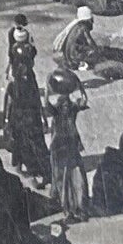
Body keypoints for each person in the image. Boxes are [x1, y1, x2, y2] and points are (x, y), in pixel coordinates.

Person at [46, 68, 90, 222]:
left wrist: (47, 88)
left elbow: (46, 106)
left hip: (59, 144)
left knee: (62, 177)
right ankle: (80, 208)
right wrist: (79, 85)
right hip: (72, 142)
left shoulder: (56, 112)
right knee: (76, 175)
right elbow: (84, 100)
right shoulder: (73, 109)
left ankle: (69, 210)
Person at [4, 55, 52, 189]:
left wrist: (43, 117)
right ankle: (24, 168)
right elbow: (9, 105)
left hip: (30, 120)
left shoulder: (29, 82)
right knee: (22, 145)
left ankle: (33, 168)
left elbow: (37, 100)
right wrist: (8, 121)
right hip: (21, 121)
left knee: (32, 145)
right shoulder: (14, 87)